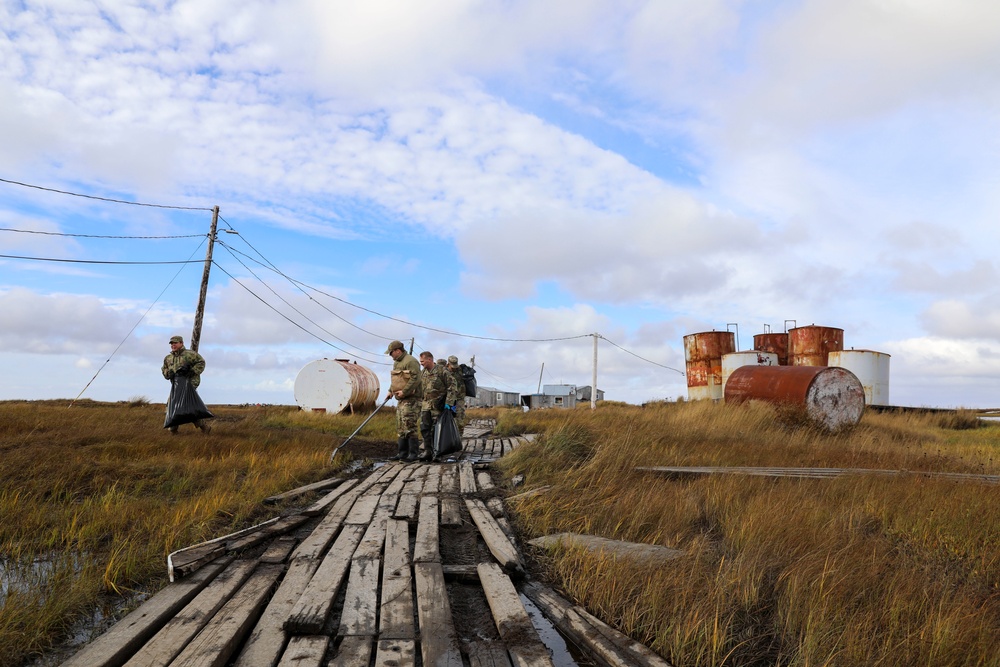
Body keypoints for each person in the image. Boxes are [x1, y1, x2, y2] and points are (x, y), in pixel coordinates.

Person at [161, 335, 210, 434]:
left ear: (181, 343)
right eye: (171, 343)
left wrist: (191, 371)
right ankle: (174, 430)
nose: (173, 345)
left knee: (185, 406)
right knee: (174, 406)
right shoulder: (168, 358)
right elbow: (164, 370)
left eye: (175, 343)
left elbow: (201, 363)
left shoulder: (190, 354)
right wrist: (168, 373)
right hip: (176, 385)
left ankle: (203, 428)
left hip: (190, 383)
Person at [418, 352, 461, 461]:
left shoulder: (442, 371)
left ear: (429, 360)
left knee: (437, 430)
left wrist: (449, 403)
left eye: (422, 361)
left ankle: (438, 453)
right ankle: (428, 451)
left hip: (438, 406)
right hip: (425, 406)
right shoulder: (423, 373)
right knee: (425, 428)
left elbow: (453, 386)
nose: (421, 363)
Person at [385, 340, 422, 461]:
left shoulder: (411, 361)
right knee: (401, 425)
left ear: (398, 351)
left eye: (391, 353)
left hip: (412, 399)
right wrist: (390, 391)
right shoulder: (396, 363)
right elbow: (396, 380)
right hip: (401, 399)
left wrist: (404, 392)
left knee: (409, 425)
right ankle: (402, 453)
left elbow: (415, 379)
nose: (391, 356)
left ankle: (413, 454)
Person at [447, 355, 467, 431]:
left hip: (459, 398)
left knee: (460, 417)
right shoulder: (444, 371)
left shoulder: (461, 369)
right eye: (452, 367)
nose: (454, 368)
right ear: (448, 364)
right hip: (448, 399)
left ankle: (459, 437)